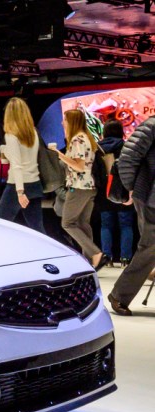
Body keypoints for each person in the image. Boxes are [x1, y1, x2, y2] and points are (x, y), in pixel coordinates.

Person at [108, 115, 155, 316]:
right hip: (150, 196)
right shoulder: (152, 125)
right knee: (150, 247)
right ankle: (120, 295)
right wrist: (130, 187)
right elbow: (127, 158)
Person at [56, 109, 105, 270]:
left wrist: (60, 155)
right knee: (83, 223)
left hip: (79, 187)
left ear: (72, 122)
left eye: (65, 120)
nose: (63, 123)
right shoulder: (86, 138)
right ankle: (89, 260)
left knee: (68, 223)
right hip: (89, 187)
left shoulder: (77, 139)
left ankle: (95, 253)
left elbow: (79, 166)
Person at [0, 97, 46, 234]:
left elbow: (17, 165)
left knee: (1, 223)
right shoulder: (33, 132)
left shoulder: (11, 135)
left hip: (17, 186)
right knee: (37, 228)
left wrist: (20, 192)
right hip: (34, 183)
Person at [97, 119, 135, 268]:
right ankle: (125, 258)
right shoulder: (126, 147)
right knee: (126, 224)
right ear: (121, 131)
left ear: (104, 131)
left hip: (103, 191)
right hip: (123, 189)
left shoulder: (98, 148)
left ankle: (107, 257)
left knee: (106, 224)